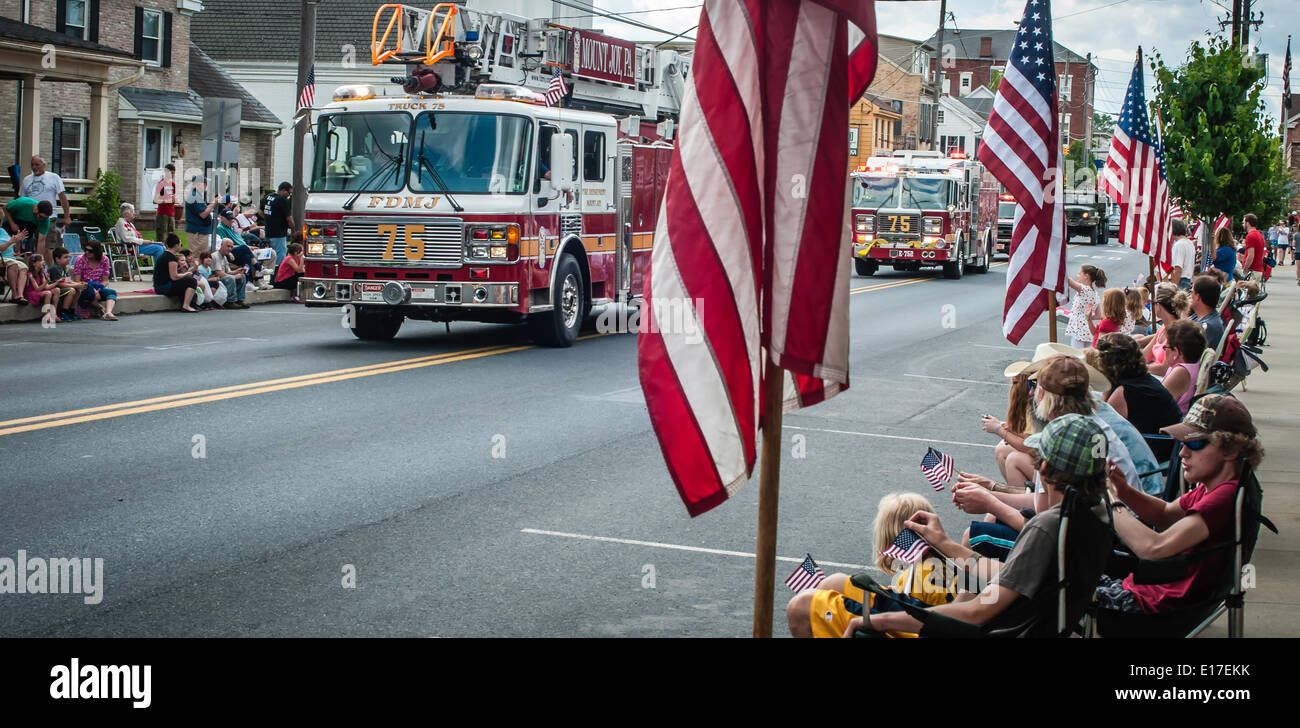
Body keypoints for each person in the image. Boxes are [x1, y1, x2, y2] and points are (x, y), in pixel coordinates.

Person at [845, 414, 1114, 638]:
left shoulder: (1046, 527)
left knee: (811, 602)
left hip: (989, 629)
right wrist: (944, 544)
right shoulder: (1093, 513)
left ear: (1044, 468)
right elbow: (1008, 574)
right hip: (1027, 624)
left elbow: (976, 613)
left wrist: (877, 620)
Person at [1097, 395, 1263, 614]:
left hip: (1153, 605)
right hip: (1152, 591)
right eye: (1182, 443)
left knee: (1056, 593)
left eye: (1195, 443)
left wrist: (1111, 502)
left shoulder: (1222, 499)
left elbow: (1154, 549)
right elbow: (1165, 514)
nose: (1183, 452)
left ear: (1231, 450)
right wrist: (1124, 490)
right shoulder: (1215, 486)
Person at [787, 492, 956, 638]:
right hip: (941, 621)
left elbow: (911, 621)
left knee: (802, 605)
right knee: (833, 583)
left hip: (924, 626)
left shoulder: (914, 577)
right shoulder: (950, 566)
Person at [1096, 333, 1181, 463]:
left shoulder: (1125, 392)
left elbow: (1102, 428)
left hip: (1154, 456)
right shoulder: (1143, 380)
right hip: (1168, 448)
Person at [19, 155, 71, 253]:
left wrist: (67, 216)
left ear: (44, 165)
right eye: (32, 165)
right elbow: (22, 201)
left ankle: (48, 267)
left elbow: (62, 197)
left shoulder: (53, 177)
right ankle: (33, 266)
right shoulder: (27, 180)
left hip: (48, 217)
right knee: (29, 247)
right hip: (31, 218)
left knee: (47, 247)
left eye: (37, 165)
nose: (34, 167)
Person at [1158, 319, 1207, 415]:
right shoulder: (1193, 365)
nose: (1165, 351)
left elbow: (1157, 405)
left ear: (1176, 352)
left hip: (1168, 425)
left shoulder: (1181, 372)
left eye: (1166, 347)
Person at [1138, 285, 1190, 370]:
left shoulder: (1177, 333)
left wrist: (1137, 369)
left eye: (1153, 302)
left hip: (1161, 379)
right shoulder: (1164, 327)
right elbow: (1145, 355)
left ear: (1158, 306)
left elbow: (1164, 369)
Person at [152, 233, 199, 312]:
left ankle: (186, 304)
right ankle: (186, 305)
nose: (181, 246)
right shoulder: (171, 257)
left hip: (159, 286)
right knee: (192, 281)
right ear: (176, 245)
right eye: (180, 244)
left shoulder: (164, 255)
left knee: (185, 283)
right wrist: (186, 274)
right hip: (164, 287)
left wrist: (180, 269)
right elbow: (174, 277)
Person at [72, 241, 119, 320]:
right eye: (86, 250)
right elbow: (77, 280)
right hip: (84, 287)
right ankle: (100, 308)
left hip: (98, 286)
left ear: (97, 251)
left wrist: (98, 289)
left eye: (90, 251)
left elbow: (105, 280)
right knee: (88, 291)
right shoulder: (80, 259)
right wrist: (93, 291)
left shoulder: (104, 260)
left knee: (112, 292)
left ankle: (108, 312)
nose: (87, 252)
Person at [1064, 264, 1106, 349]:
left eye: (1079, 274)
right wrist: (1085, 317)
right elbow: (1098, 315)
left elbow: (1068, 280)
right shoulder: (1095, 294)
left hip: (1079, 329)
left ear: (1086, 276)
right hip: (1088, 330)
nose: (1077, 276)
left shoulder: (1084, 289)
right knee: (1086, 355)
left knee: (1077, 355)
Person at [46, 246, 86, 321]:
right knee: (71, 290)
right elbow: (61, 284)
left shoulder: (64, 267)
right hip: (55, 290)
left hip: (62, 289)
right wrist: (76, 285)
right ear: (57, 259)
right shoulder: (55, 268)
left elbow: (68, 281)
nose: (68, 259)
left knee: (78, 289)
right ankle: (64, 312)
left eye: (68, 257)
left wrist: (79, 284)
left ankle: (72, 311)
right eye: (65, 257)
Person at [183, 176, 218, 257]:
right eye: (204, 184)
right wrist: (214, 202)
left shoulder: (197, 195)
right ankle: (195, 270)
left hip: (199, 231)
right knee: (198, 256)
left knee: (201, 255)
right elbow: (203, 214)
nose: (205, 186)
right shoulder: (195, 196)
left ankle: (199, 269)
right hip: (197, 232)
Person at [261, 182, 295, 265]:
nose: (289, 195)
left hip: (268, 232)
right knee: (279, 257)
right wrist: (293, 229)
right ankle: (277, 274)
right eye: (289, 193)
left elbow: (260, 212)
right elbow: (289, 218)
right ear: (283, 190)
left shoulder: (268, 197)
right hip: (279, 234)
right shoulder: (282, 200)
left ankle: (269, 274)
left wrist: (268, 219)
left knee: (269, 256)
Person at [1189, 275, 1225, 351]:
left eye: (1192, 292)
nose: (1190, 295)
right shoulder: (1202, 317)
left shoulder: (1208, 327)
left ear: (1198, 297)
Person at [212, 238, 249, 309]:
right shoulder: (215, 256)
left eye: (231, 247)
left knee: (242, 276)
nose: (230, 249)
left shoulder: (224, 257)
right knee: (230, 278)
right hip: (217, 279)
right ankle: (230, 301)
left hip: (224, 277)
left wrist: (237, 271)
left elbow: (228, 271)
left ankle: (239, 300)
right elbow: (219, 273)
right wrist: (234, 276)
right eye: (228, 246)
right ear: (222, 245)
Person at [1, 228, 30, 304]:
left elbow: (16, 250)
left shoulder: (3, 231)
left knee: (23, 267)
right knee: (13, 264)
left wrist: (18, 241)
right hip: (2, 257)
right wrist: (11, 241)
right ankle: (14, 295)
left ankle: (20, 295)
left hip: (11, 258)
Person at [1168, 218, 1196, 289]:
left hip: (1180, 281)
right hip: (1187, 280)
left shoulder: (1179, 245)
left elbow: (1178, 269)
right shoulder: (1190, 243)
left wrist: (1174, 287)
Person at [153, 163, 178, 242]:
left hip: (171, 213)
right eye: (171, 173)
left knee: (171, 236)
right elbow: (155, 200)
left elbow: (173, 198)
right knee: (161, 236)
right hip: (162, 213)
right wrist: (165, 200)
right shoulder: (161, 184)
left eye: (174, 173)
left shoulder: (173, 184)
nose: (173, 175)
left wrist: (174, 199)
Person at [1241, 213, 1266, 286]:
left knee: (1247, 295)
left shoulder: (1250, 236)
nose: (1243, 224)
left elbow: (1251, 255)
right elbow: (1262, 254)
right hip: (1258, 269)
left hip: (1252, 271)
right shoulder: (1260, 235)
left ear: (1247, 223)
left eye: (1243, 222)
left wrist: (1245, 269)